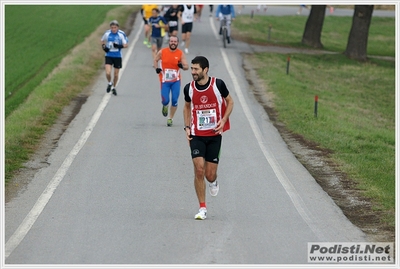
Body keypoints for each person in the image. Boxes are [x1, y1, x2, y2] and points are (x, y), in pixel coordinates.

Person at [183, 56, 234, 220]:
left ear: (205, 70)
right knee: (199, 169)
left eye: (196, 69)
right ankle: (202, 208)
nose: (193, 72)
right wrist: (187, 127)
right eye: (192, 69)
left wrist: (224, 119)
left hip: (214, 135)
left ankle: (213, 181)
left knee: (209, 174)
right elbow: (186, 106)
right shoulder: (189, 88)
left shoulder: (218, 85)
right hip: (197, 135)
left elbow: (230, 101)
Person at [154, 36, 189, 126]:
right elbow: (156, 60)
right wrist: (157, 68)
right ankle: (165, 106)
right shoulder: (162, 52)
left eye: (175, 41)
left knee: (174, 100)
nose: (173, 43)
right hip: (164, 80)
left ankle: (170, 118)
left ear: (177, 43)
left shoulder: (180, 53)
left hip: (175, 81)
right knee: (165, 100)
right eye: (171, 41)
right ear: (169, 42)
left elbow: (187, 66)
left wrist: (182, 66)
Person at [100, 20, 128, 96]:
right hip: (108, 55)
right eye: (112, 27)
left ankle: (114, 87)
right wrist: (104, 47)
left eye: (115, 27)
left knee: (116, 75)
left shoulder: (121, 34)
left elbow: (126, 45)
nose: (113, 29)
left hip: (117, 56)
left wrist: (119, 46)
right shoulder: (107, 33)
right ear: (110, 28)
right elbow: (102, 41)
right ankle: (109, 83)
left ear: (117, 27)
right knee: (108, 72)